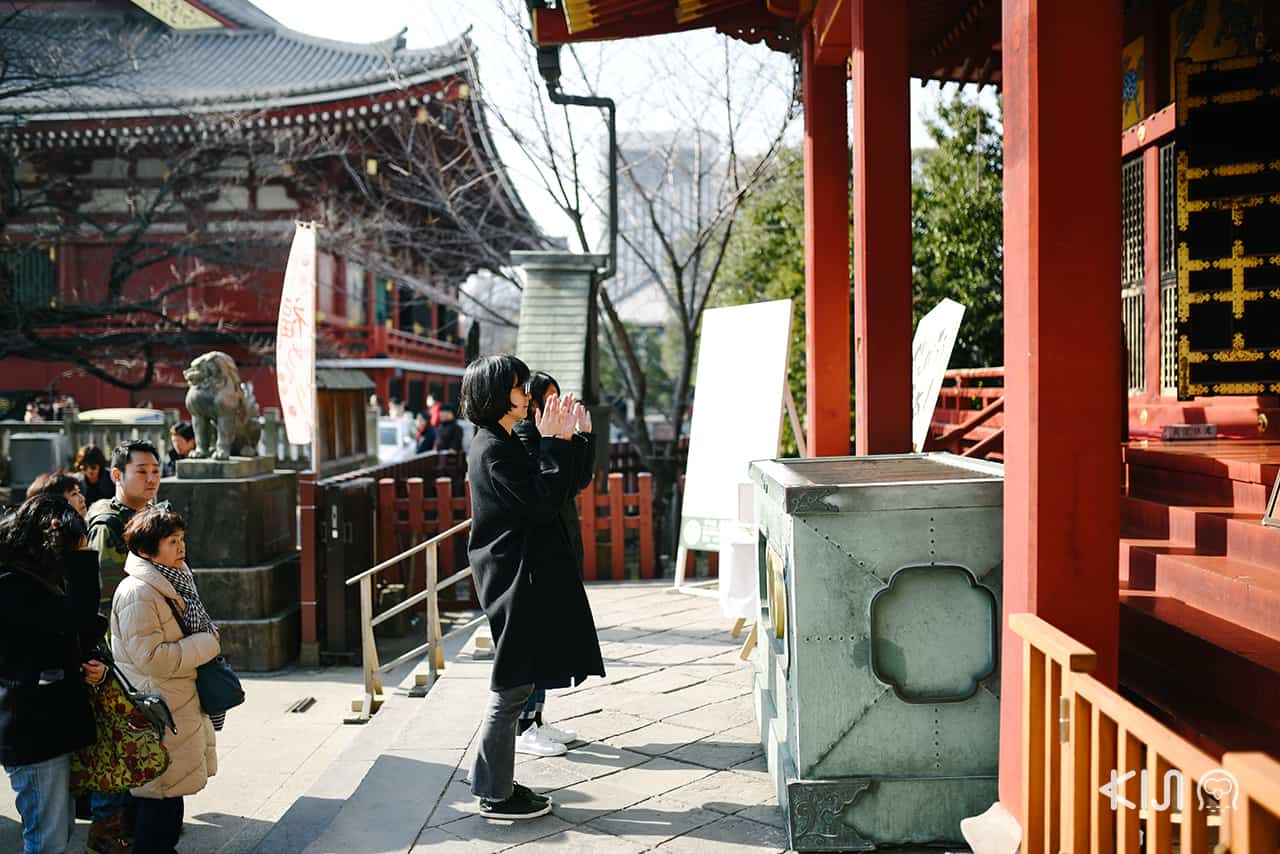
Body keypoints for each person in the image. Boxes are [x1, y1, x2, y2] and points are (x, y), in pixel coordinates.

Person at [461, 354, 604, 820]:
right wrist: (557, 443)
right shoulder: (493, 448)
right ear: (496, 393)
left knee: (515, 684)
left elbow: (557, 487)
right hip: (511, 578)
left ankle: (490, 781)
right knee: (511, 687)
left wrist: (568, 441)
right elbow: (541, 502)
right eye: (520, 388)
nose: (526, 396)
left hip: (519, 575)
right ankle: (496, 795)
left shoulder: (499, 440)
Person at [0, 493, 108, 854]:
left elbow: (73, 629)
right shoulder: (13, 585)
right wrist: (82, 559)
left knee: (56, 832)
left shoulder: (29, 578)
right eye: (70, 546)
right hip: (33, 730)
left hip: (45, 726)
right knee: (46, 838)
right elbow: (76, 617)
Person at [112, 506, 219, 853]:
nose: (181, 547)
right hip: (159, 712)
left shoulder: (172, 579)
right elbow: (152, 658)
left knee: (164, 805)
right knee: (159, 812)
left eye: (181, 539)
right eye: (172, 541)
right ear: (147, 549)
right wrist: (206, 644)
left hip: (174, 705)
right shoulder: (138, 593)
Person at [511, 372, 599, 757]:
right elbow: (545, 491)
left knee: (549, 638)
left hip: (561, 542)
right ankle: (524, 724)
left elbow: (576, 481)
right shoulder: (522, 439)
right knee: (533, 642)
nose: (554, 408)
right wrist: (557, 441)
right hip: (534, 555)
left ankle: (539, 717)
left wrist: (583, 437)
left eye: (557, 399)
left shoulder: (547, 437)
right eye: (546, 401)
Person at [84, 439, 162, 852]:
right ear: (117, 475)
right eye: (141, 471)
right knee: (115, 747)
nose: (150, 478)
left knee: (139, 743)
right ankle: (106, 833)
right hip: (115, 656)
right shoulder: (108, 524)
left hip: (146, 649)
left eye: (155, 470)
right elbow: (102, 598)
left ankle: (135, 827)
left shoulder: (149, 515)